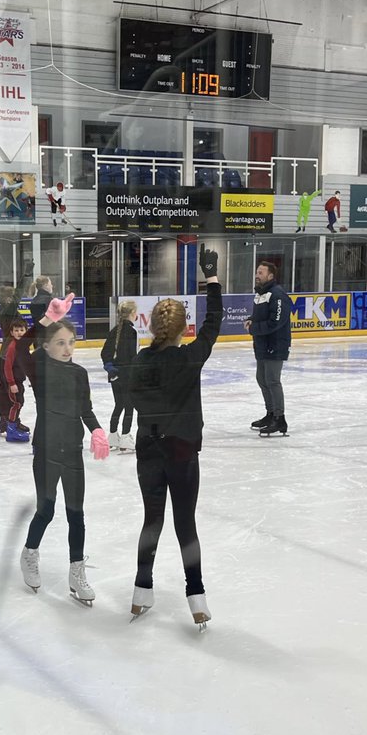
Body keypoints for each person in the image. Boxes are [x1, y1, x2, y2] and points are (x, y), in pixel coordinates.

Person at [129, 245, 222, 629]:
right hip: (182, 451)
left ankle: (140, 592)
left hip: (149, 449)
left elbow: (134, 401)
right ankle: (196, 597)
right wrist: (211, 277)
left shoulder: (140, 361)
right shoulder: (189, 357)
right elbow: (214, 321)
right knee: (186, 524)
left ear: (151, 327)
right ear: (184, 328)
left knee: (152, 521)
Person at [19, 294, 110, 603]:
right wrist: (45, 319)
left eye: (70, 342)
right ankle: (30, 554)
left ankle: (76, 571)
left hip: (72, 451)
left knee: (76, 514)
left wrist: (96, 429)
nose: (67, 348)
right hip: (45, 450)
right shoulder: (40, 368)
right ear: (46, 346)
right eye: (60, 342)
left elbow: (85, 409)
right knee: (46, 509)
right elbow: (19, 348)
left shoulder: (80, 374)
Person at [245, 260, 291, 438]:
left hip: (275, 344)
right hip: (263, 344)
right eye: (257, 272)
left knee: (272, 380)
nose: (257, 275)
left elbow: (277, 321)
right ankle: (271, 414)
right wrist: (252, 319)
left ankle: (280, 418)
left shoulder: (277, 295)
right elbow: (262, 315)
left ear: (271, 276)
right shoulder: (261, 294)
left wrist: (254, 328)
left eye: (261, 273)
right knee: (262, 379)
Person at [101, 300, 139, 451]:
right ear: (132, 314)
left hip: (115, 376)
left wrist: (111, 368)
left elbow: (104, 353)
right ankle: (125, 437)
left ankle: (112, 437)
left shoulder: (114, 330)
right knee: (129, 407)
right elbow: (132, 357)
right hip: (127, 376)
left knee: (119, 405)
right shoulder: (131, 332)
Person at [0, 315, 32, 441]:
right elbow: (7, 367)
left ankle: (15, 423)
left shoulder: (23, 345)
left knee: (19, 402)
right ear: (11, 332)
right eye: (16, 330)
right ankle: (11, 429)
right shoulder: (12, 347)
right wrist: (11, 383)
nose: (19, 333)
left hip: (19, 380)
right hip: (13, 382)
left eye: (21, 330)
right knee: (16, 403)